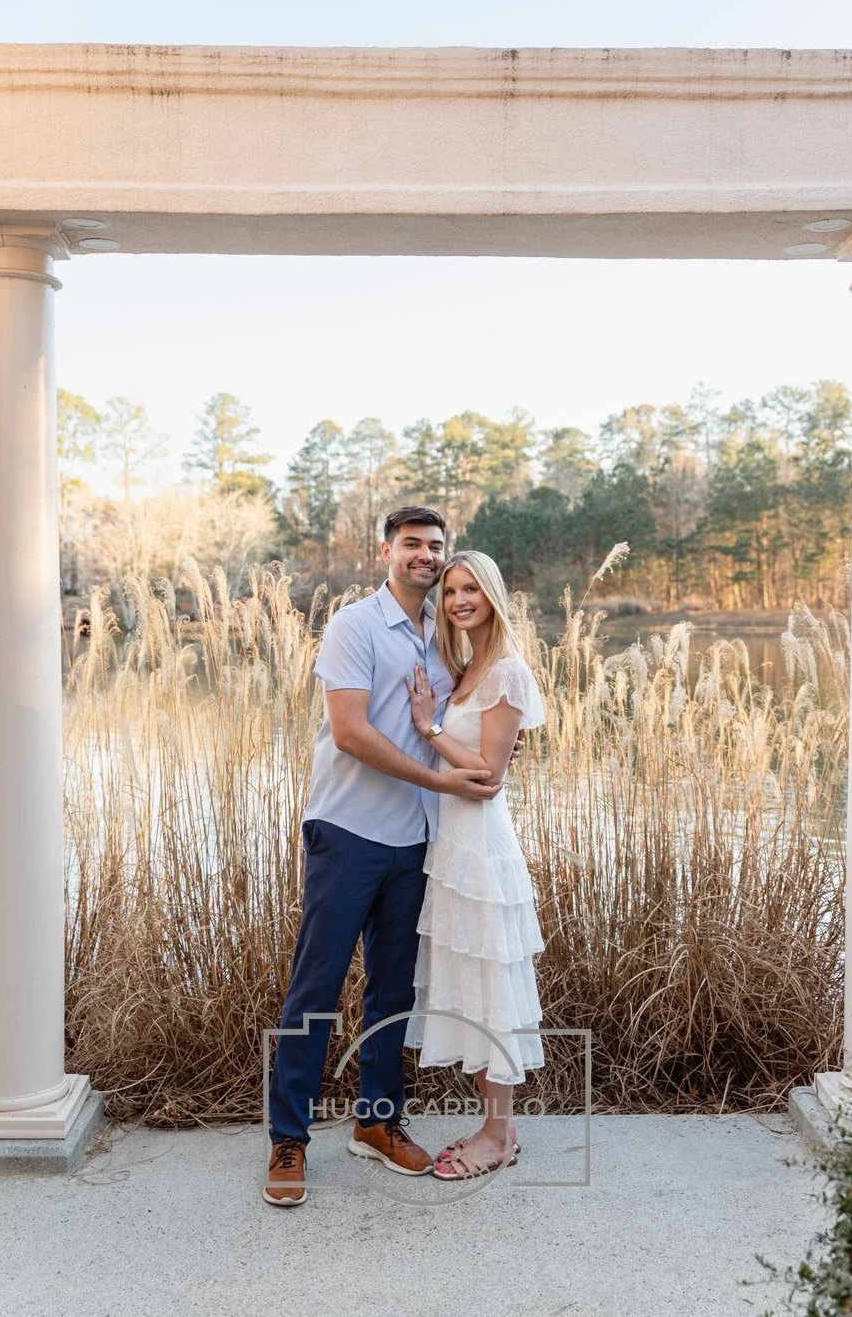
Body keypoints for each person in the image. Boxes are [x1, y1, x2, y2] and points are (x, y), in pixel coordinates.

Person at [264, 507, 504, 1207]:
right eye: (412, 545)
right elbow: (348, 732)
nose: (425, 557)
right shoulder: (355, 626)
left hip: (416, 841)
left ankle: (378, 1123)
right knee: (317, 987)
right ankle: (289, 1137)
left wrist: (487, 751)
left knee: (393, 994)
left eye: (435, 546)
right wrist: (439, 778)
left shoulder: (446, 632)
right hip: (348, 831)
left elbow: (468, 718)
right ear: (387, 550)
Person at [404, 549, 546, 1180]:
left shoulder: (507, 673)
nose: (459, 600)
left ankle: (496, 1135)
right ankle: (498, 1125)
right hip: (452, 849)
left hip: (482, 849)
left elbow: (487, 775)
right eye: (452, 591)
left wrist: (427, 727)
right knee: (470, 983)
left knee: (491, 987)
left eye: (471, 590)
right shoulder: (465, 669)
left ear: (492, 595)